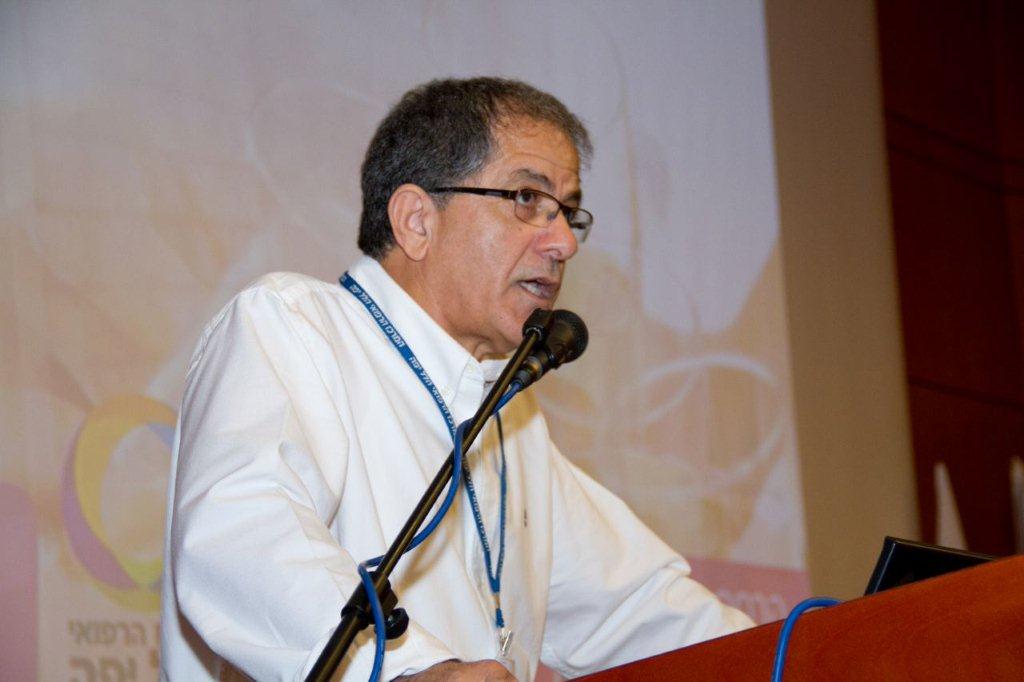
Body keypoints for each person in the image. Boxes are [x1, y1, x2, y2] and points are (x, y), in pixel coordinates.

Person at [160, 77, 752, 682]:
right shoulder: (295, 327)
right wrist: (417, 671)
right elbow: (242, 535)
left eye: (569, 212)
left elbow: (636, 607)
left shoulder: (509, 415)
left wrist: (792, 654)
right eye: (527, 199)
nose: (563, 243)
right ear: (417, 220)